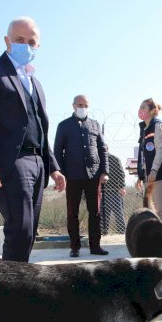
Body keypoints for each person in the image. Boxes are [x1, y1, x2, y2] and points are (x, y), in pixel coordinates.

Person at [0, 16, 65, 263]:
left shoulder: (36, 83)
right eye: (20, 40)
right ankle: (9, 293)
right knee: (19, 228)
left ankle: (17, 282)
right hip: (11, 161)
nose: (26, 45)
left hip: (38, 163)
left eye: (32, 41)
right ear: (7, 41)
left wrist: (53, 167)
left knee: (30, 231)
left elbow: (41, 129)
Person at [54, 95, 109, 257]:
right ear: (73, 106)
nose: (82, 107)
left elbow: (103, 149)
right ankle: (75, 247)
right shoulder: (63, 126)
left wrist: (104, 172)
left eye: (85, 105)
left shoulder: (95, 125)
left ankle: (95, 246)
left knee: (95, 212)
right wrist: (61, 174)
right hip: (72, 176)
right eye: (79, 104)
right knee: (73, 212)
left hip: (93, 175)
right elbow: (58, 152)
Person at [135, 98, 162, 229]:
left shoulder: (157, 125)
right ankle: (157, 242)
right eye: (140, 107)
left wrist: (153, 170)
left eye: (143, 107)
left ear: (152, 110)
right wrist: (141, 175)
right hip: (150, 176)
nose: (140, 110)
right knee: (151, 212)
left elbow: (160, 150)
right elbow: (144, 155)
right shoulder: (145, 128)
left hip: (160, 175)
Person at [101, 145, 126, 235]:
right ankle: (103, 233)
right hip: (103, 192)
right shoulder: (99, 160)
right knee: (104, 216)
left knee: (119, 214)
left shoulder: (114, 159)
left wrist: (122, 187)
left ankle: (122, 234)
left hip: (115, 191)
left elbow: (121, 174)